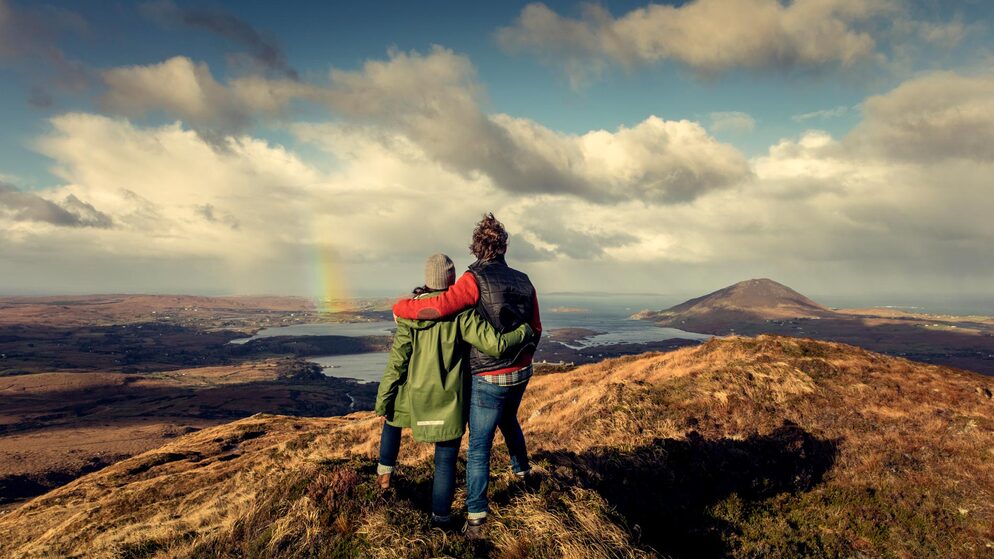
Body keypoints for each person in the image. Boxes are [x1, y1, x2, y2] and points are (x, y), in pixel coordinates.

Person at [392, 214, 541, 539]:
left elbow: (440, 307)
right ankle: (523, 472)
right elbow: (536, 326)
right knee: (509, 418)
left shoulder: (473, 279)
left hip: (488, 376)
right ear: (503, 246)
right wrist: (523, 358)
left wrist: (402, 307)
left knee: (478, 448)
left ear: (477, 247)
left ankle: (476, 518)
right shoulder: (525, 279)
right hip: (521, 371)